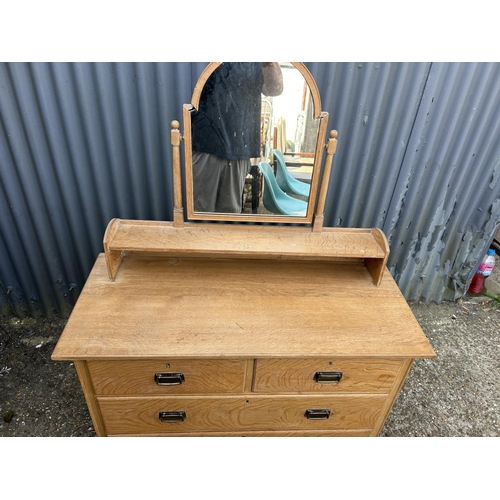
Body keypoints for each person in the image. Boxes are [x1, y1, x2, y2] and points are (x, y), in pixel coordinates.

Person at [191, 62, 283, 213]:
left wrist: (269, 62)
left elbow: (275, 89)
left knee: (230, 214)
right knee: (199, 211)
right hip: (203, 145)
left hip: (238, 147)